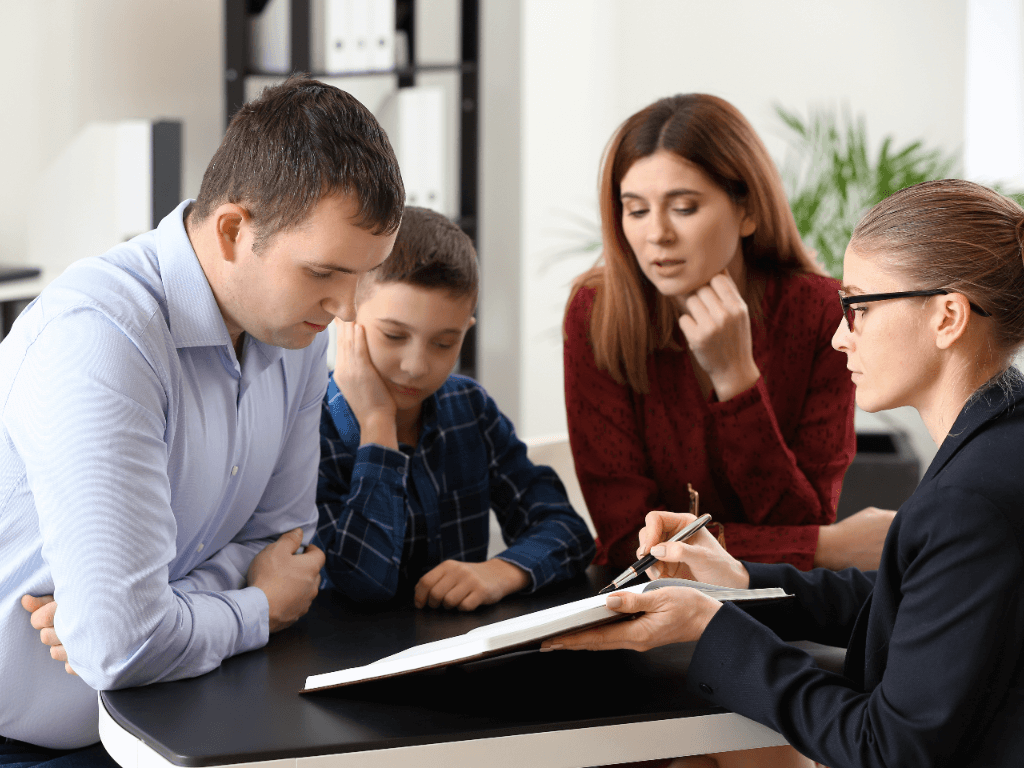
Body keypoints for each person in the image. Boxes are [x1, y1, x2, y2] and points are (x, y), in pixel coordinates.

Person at [545, 179, 1024, 768]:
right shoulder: (1000, 444)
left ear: (947, 316)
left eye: (859, 308)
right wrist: (739, 581)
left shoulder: (970, 501)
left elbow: (888, 749)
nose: (838, 335)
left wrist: (711, 627)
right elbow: (913, 604)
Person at [0, 76, 403, 763]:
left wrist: (158, 607)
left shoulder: (294, 333)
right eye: (324, 273)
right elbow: (124, 644)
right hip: (34, 747)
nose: (347, 308)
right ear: (232, 230)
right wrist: (256, 606)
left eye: (363, 276)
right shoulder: (100, 338)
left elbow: (281, 544)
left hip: (184, 714)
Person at [563, 93, 894, 574]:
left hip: (778, 606)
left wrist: (736, 378)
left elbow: (801, 519)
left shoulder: (820, 311)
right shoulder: (596, 313)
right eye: (636, 211)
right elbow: (628, 544)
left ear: (747, 212)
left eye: (683, 207)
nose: (657, 234)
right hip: (652, 608)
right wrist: (827, 548)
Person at [316, 206, 595, 610]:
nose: (415, 366)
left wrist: (500, 572)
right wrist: (378, 427)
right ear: (347, 318)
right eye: (394, 335)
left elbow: (567, 530)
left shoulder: (469, 407)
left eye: (444, 343)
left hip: (461, 657)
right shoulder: (307, 425)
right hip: (344, 665)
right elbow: (362, 585)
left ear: (466, 331)